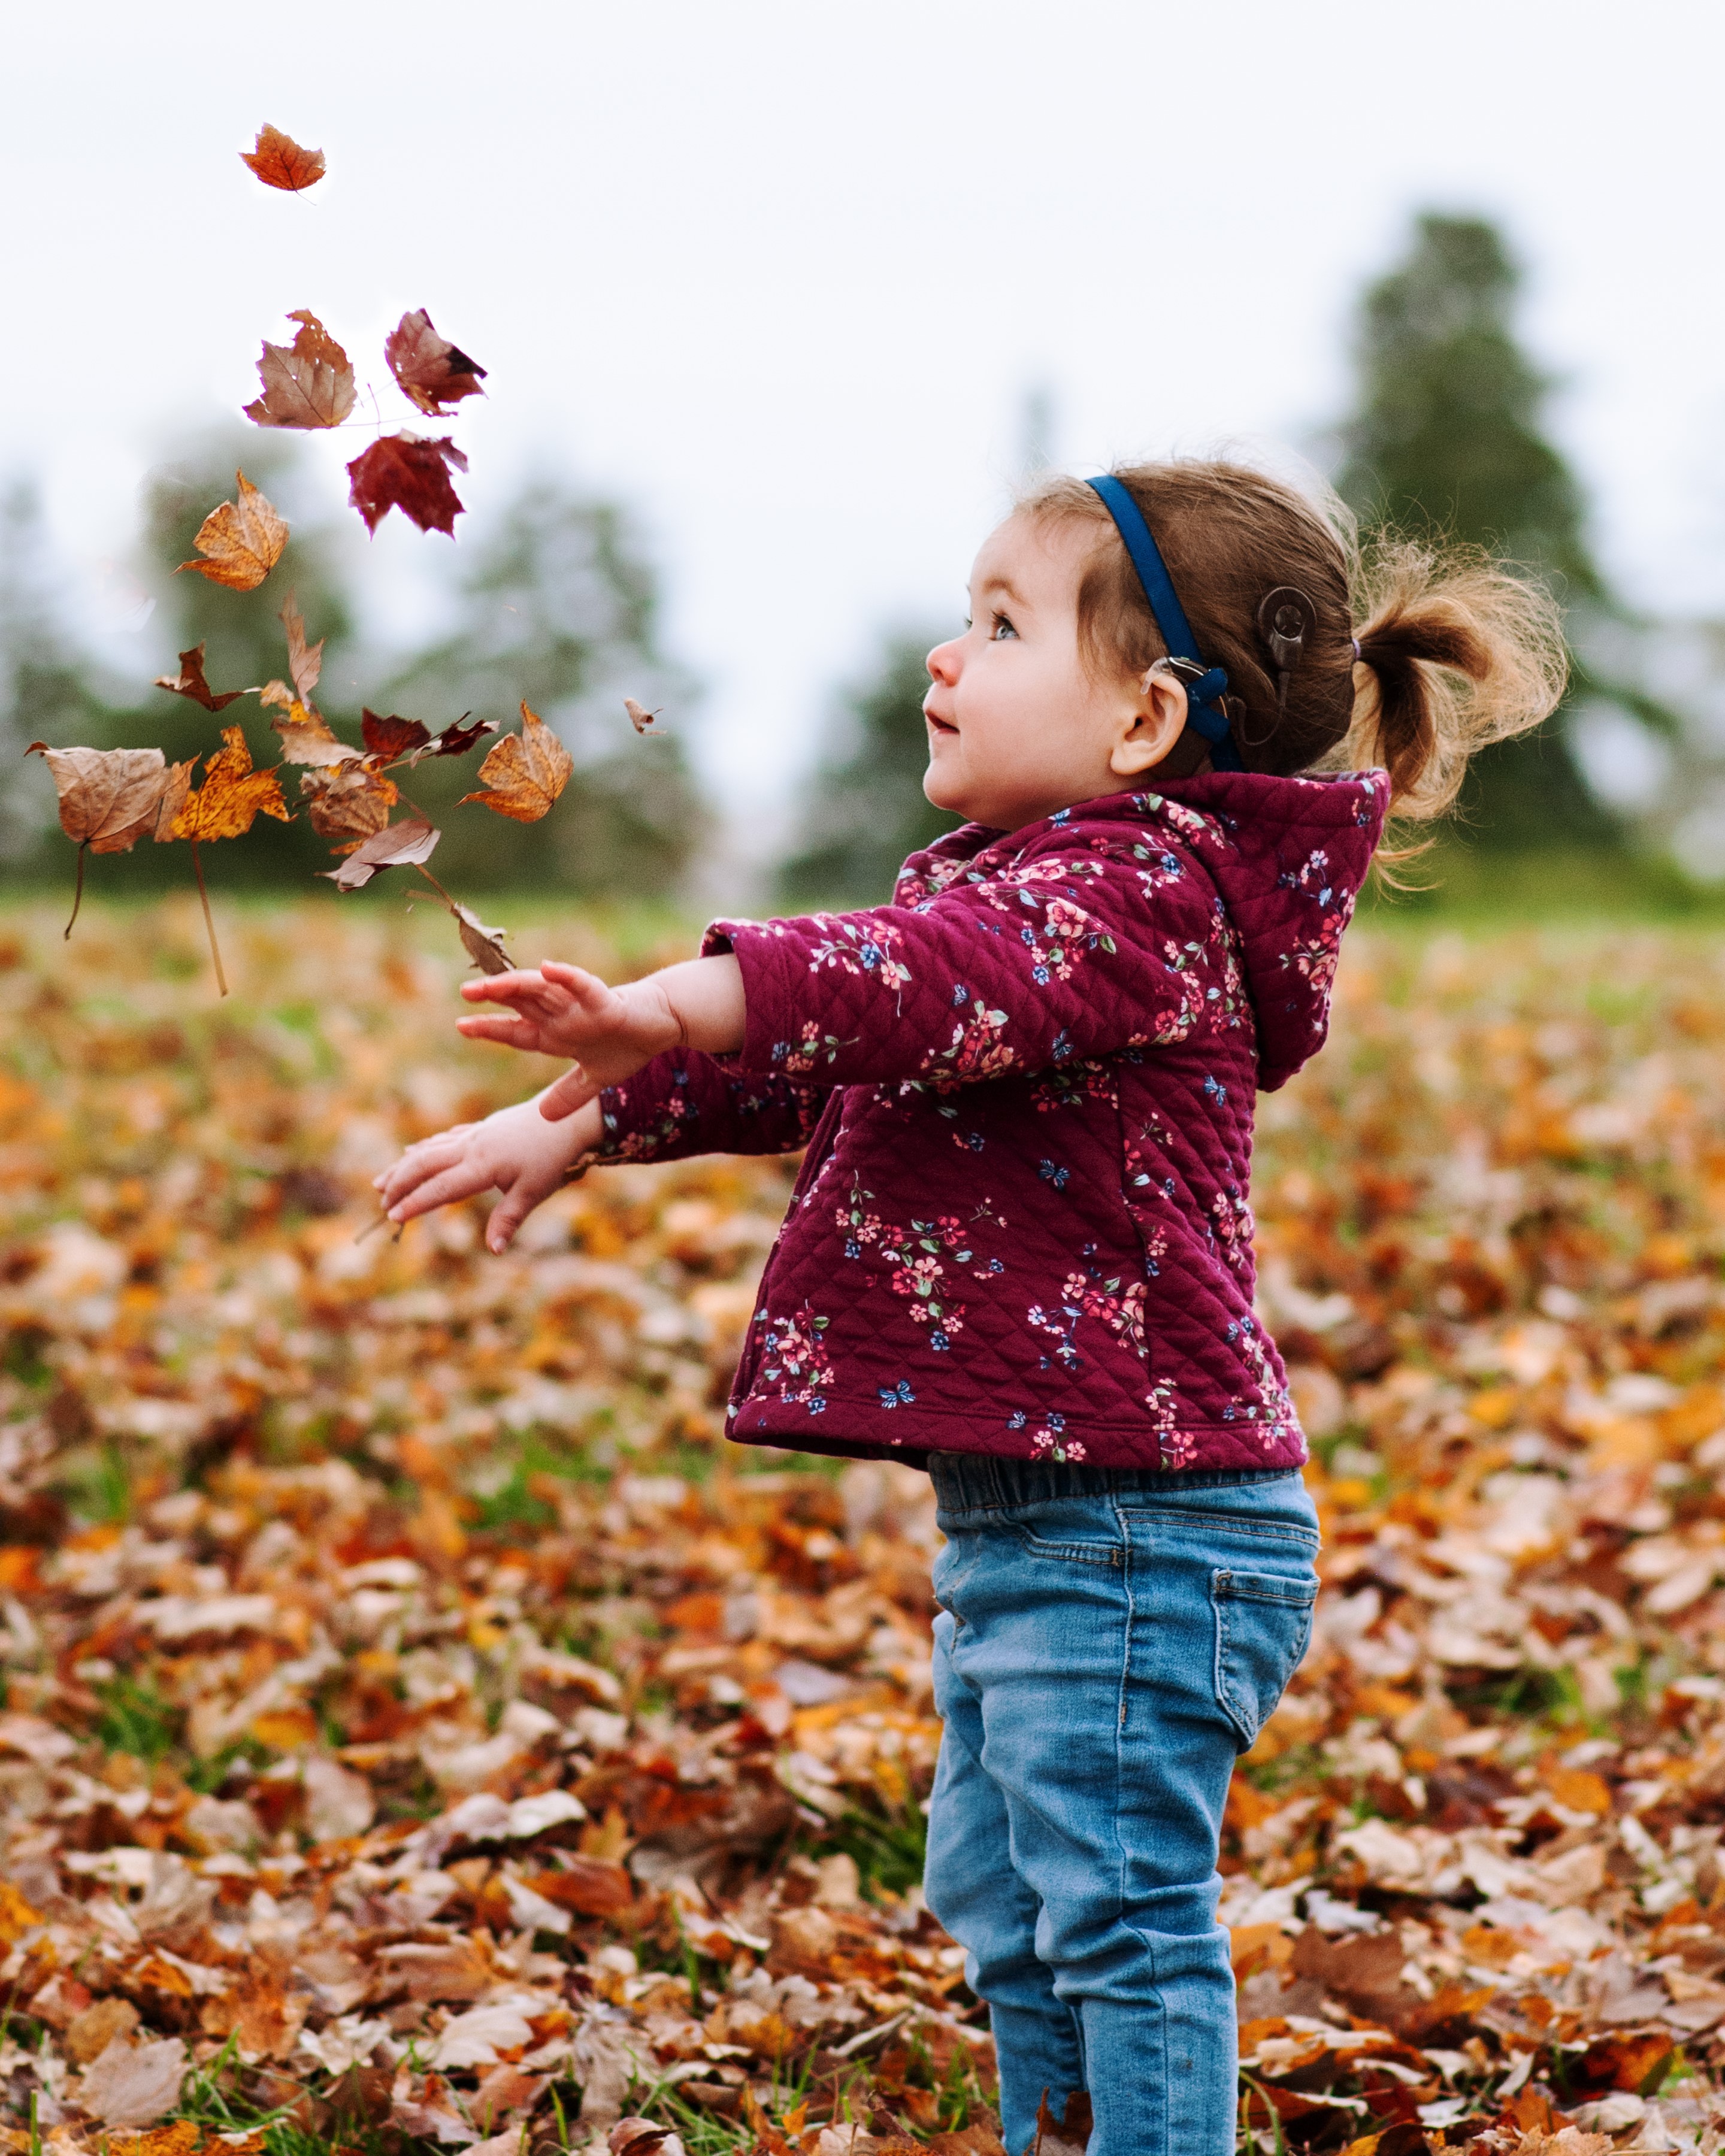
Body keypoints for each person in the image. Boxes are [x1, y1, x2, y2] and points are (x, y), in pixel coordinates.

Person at [375, 458, 1564, 2156]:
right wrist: (577, 1117)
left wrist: (661, 999)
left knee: (1119, 1921)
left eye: (1000, 624)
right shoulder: (1035, 897)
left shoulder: (1131, 903)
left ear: (1148, 718)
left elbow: (894, 986)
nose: (946, 655)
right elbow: (861, 1057)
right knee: (1011, 1911)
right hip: (1045, 1527)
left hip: (1146, 1542)